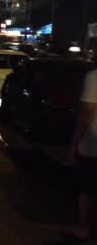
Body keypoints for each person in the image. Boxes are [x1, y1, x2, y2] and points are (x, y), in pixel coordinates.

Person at [64, 69, 97, 241]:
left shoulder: (94, 77)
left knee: (87, 188)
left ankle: (84, 228)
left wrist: (75, 142)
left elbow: (87, 112)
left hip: (94, 143)